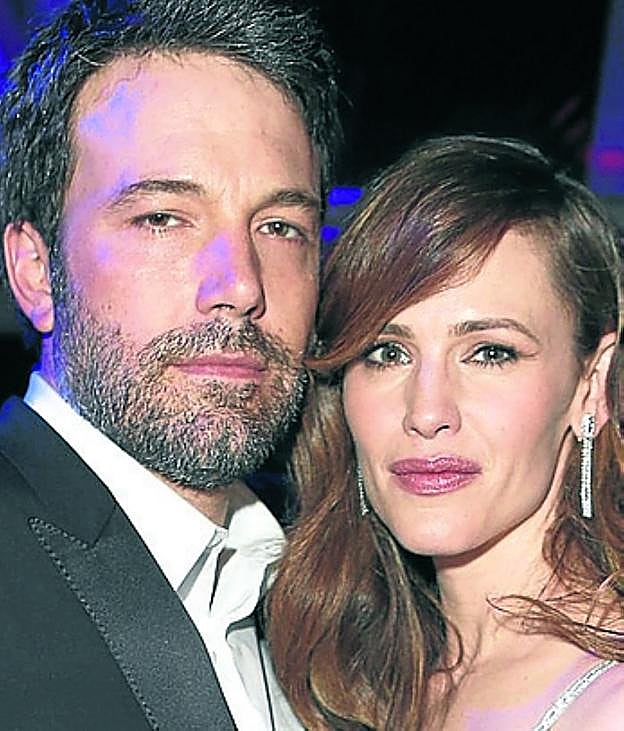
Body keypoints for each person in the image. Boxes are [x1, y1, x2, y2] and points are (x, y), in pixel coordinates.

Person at [0, 0, 339, 728]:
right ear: (35, 271)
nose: (240, 284)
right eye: (161, 218)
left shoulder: (324, 593)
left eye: (281, 227)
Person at [268, 136, 624, 729]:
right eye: (387, 352)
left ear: (592, 384)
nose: (427, 411)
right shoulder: (350, 676)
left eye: (489, 353)